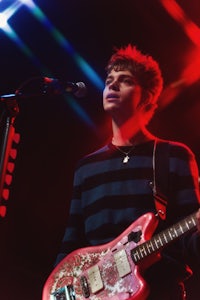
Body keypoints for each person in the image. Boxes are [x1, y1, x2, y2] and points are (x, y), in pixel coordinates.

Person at [55, 44, 200, 299]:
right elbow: (71, 244)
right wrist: (58, 290)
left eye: (125, 81)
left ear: (146, 97)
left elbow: (190, 239)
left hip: (158, 291)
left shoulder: (174, 156)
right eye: (109, 80)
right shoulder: (86, 168)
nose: (112, 85)